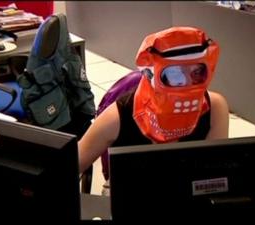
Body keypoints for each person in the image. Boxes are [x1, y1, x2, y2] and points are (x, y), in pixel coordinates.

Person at [78, 27, 229, 195]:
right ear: (150, 76)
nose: (187, 83)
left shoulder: (215, 108)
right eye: (175, 74)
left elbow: (215, 173)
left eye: (196, 72)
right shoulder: (117, 118)